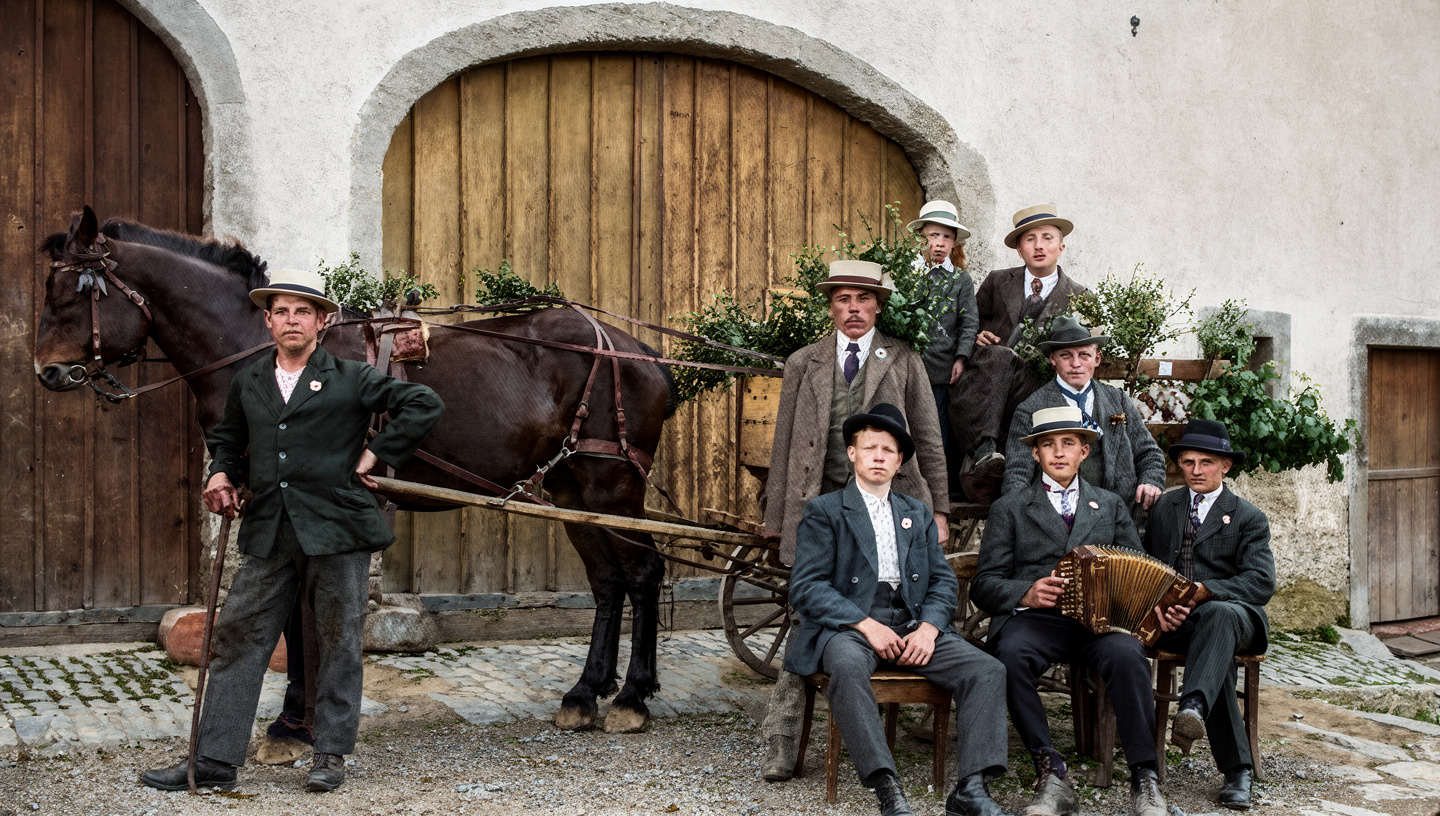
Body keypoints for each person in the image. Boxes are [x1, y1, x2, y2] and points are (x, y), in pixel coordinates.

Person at [141, 268, 444, 793]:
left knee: (338, 640)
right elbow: (228, 440)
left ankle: (329, 754)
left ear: (322, 322)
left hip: (337, 530)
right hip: (270, 531)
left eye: (303, 311)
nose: (291, 320)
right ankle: (213, 758)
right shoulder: (250, 380)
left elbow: (424, 404)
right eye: (281, 311)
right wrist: (219, 473)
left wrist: (376, 453)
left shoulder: (350, 376)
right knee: (238, 636)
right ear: (268, 321)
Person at [759, 260, 951, 782]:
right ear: (831, 307)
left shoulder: (903, 360)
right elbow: (784, 441)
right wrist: (777, 515)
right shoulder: (804, 362)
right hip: (821, 507)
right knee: (806, 616)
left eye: (863, 299)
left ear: (878, 307)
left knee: (890, 607)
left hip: (891, 503)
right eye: (843, 299)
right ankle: (784, 739)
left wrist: (938, 508)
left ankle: (895, 710)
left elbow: (927, 437)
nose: (853, 309)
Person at [786, 404, 1010, 816]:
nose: (878, 457)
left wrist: (929, 629)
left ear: (900, 460)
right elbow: (806, 586)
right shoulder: (825, 510)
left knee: (987, 670)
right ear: (851, 453)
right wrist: (864, 624)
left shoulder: (915, 512)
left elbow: (942, 581)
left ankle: (971, 789)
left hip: (911, 621)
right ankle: (887, 788)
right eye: (869, 447)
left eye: (888, 450)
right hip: (849, 625)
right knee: (848, 668)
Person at [972, 406, 1183, 816]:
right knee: (1009, 655)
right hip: (1037, 620)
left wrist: (1155, 608)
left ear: (1084, 452)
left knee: (1129, 655)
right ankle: (1051, 773)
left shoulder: (1110, 505)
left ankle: (1145, 777)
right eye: (1047, 444)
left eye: (1068, 443)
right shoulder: (1010, 507)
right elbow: (985, 583)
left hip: (1101, 623)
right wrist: (1025, 592)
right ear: (1035, 454)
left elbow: (1138, 568)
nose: (1058, 452)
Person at [1144, 420, 1274, 811]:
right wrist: (1157, 607)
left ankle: (1194, 706)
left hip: (1236, 619)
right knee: (1216, 659)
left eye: (1206, 462)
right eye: (1188, 462)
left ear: (1226, 466)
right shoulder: (1164, 508)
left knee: (1217, 616)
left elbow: (1261, 582)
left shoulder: (1248, 517)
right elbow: (1147, 567)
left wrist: (1208, 590)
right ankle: (1237, 770)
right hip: (1177, 624)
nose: (1196, 470)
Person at [948, 205, 1087, 501]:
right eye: (1029, 239)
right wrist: (977, 337)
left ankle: (988, 464)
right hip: (985, 385)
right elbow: (968, 323)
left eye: (1047, 238)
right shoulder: (997, 282)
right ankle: (984, 452)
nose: (1039, 246)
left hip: (1034, 388)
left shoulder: (1079, 296)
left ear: (1061, 248)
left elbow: (1082, 350)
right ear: (1019, 250)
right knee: (1001, 356)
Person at [1002, 315, 1165, 525]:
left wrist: (1151, 481)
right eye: (1066, 356)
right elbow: (1017, 474)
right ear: (1053, 360)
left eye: (1084, 355)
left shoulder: (1117, 400)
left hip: (1118, 517)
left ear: (1097, 359)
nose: (1076, 364)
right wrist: (1024, 521)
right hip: (1059, 522)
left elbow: (1149, 453)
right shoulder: (1031, 409)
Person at [909, 200, 977, 498]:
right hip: (909, 364)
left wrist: (961, 357)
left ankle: (936, 490)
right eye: (933, 235)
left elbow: (969, 322)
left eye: (947, 237)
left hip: (941, 369)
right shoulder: (908, 276)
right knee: (906, 423)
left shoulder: (960, 280)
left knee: (935, 429)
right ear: (920, 238)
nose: (939, 243)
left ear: (954, 242)